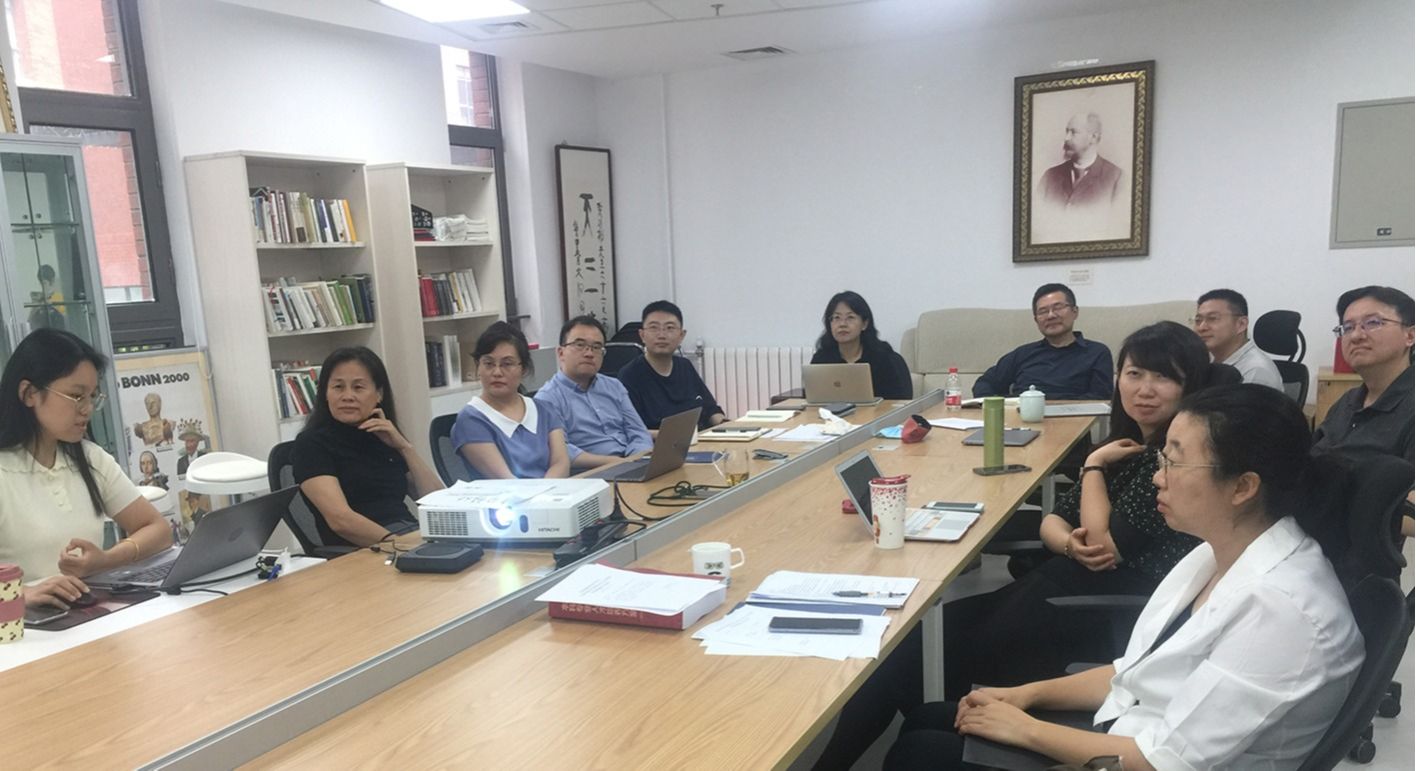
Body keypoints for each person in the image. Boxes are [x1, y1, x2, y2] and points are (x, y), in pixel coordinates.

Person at [816, 322, 1234, 770]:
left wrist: (1093, 467)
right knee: (910, 647)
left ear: (1190, 385)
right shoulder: (1127, 445)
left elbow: (1102, 543)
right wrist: (1069, 545)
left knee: (913, 656)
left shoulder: (1166, 462)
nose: (1144, 389)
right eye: (1134, 374)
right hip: (1059, 586)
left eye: (1163, 377)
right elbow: (1054, 521)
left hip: (1093, 612)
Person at [885, 385, 1364, 770]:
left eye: (1174, 460)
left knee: (924, 753)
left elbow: (1162, 762)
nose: (1158, 476)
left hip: (1146, 759)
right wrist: (1024, 695)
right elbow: (1134, 671)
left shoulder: (1281, 611)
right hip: (1130, 732)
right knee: (933, 718)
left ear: (1243, 486)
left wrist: (1025, 728)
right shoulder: (1217, 552)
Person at [0, 328, 171, 609]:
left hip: (85, 612)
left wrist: (106, 560)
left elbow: (158, 530)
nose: (87, 408)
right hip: (21, 624)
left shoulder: (91, 459)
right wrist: (21, 593)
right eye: (76, 396)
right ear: (29, 393)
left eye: (92, 396)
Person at [292, 346, 443, 548]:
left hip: (408, 535)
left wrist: (404, 447)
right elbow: (340, 520)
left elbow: (437, 502)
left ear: (379, 394)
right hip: (365, 550)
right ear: (325, 393)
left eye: (358, 387)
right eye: (338, 387)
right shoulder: (311, 444)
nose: (347, 396)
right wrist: (399, 545)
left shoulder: (383, 435)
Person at [451, 322, 571, 479]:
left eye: (507, 364)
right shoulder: (470, 420)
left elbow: (561, 463)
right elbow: (506, 481)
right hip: (505, 494)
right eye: (488, 364)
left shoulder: (544, 410)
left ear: (524, 369)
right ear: (478, 366)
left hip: (554, 492)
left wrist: (549, 491)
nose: (497, 372)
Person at [536, 315, 654, 469]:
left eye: (597, 347)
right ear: (560, 352)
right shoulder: (547, 398)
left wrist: (637, 459)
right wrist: (616, 463)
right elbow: (561, 450)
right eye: (580, 345)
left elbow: (638, 431)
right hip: (591, 474)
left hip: (631, 465)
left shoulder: (614, 386)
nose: (589, 353)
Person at [1312, 285, 1413, 463]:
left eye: (1373, 323)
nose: (1356, 336)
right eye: (1348, 327)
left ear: (1410, 336)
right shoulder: (1347, 402)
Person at [973, 283, 1114, 399]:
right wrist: (999, 406)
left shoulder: (1096, 353)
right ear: (1036, 320)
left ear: (1075, 312)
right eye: (1043, 311)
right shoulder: (1023, 354)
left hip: (1074, 420)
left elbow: (1100, 398)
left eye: (1058, 307)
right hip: (1020, 419)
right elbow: (985, 383)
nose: (1051, 315)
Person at [617, 300, 726, 431]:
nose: (661, 335)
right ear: (642, 335)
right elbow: (632, 429)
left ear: (681, 335)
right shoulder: (629, 375)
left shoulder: (685, 366)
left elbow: (711, 410)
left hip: (700, 438)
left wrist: (728, 425)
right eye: (654, 328)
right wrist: (677, 435)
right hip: (659, 443)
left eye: (669, 328)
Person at [810, 290, 913, 400]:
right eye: (836, 318)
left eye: (850, 317)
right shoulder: (821, 360)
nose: (842, 324)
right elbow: (811, 400)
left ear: (864, 324)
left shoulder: (886, 359)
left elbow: (902, 402)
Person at [1192, 288, 1283, 390]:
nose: (1201, 327)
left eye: (1213, 318)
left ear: (1241, 324)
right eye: (1198, 320)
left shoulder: (1256, 371)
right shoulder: (1209, 359)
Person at [1037, 113, 1125, 210]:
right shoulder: (1049, 176)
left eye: (1074, 132)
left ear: (1093, 137)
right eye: (1067, 132)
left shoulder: (1116, 178)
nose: (1066, 138)